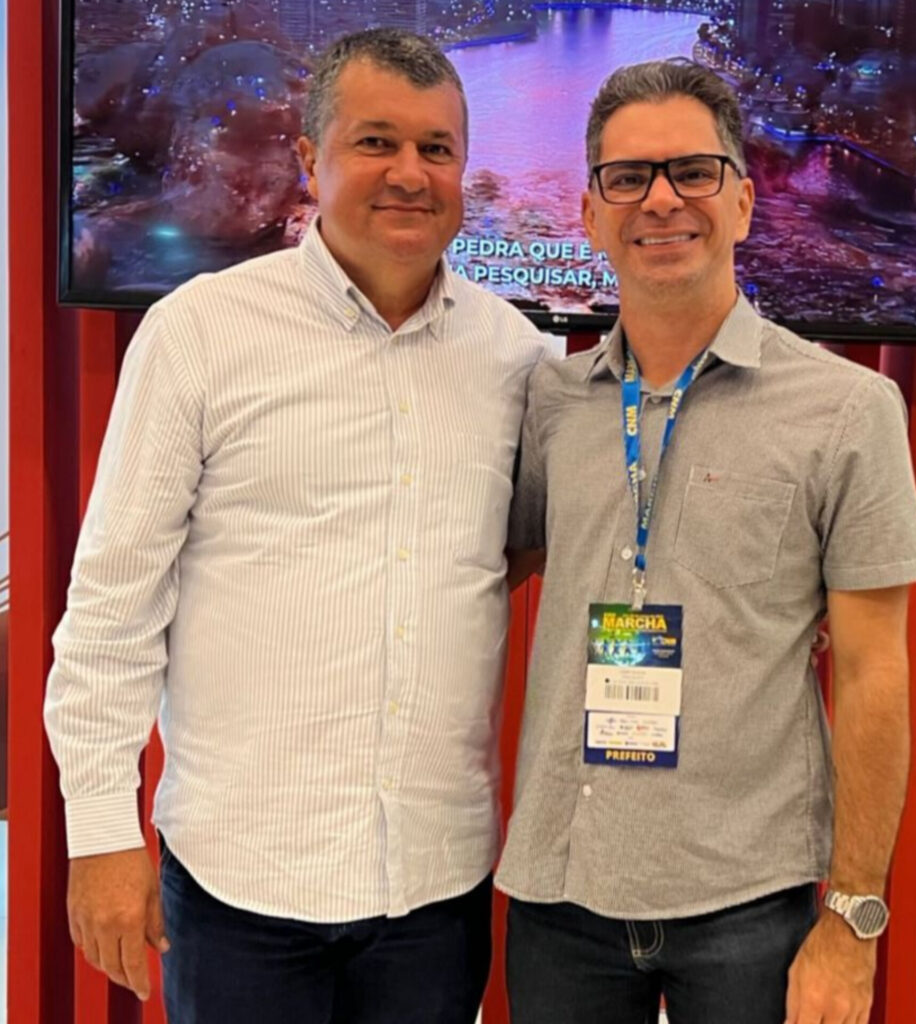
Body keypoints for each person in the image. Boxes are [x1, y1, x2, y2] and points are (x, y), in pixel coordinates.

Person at [44, 28, 545, 1024]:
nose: (409, 173)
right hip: (242, 882)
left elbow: (512, 554)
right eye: (376, 142)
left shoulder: (518, 356)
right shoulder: (200, 332)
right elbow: (113, 601)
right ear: (312, 159)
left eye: (437, 148)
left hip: (434, 887)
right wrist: (100, 833)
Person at [497, 59, 916, 1024]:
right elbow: (476, 579)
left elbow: (875, 674)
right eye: (628, 178)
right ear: (591, 214)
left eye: (693, 171)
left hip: (750, 904)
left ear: (742, 201)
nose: (661, 200)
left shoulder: (848, 409)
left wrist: (854, 919)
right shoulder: (552, 402)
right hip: (561, 892)